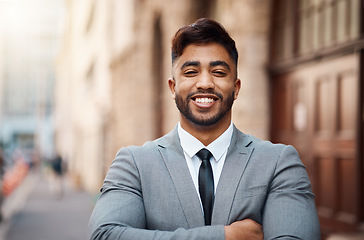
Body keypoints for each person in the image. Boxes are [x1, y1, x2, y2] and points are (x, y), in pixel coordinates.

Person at [88, 18, 320, 240]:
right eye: (190, 72)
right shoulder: (134, 164)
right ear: (173, 87)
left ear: (236, 88)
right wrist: (224, 236)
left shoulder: (279, 162)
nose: (205, 83)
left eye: (219, 72)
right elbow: (105, 235)